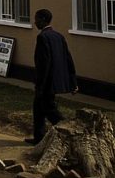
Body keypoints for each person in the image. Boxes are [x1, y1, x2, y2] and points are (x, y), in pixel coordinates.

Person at [25, 8, 78, 144]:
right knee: (38, 109)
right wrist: (73, 82)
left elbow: (44, 63)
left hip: (46, 82)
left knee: (50, 110)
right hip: (54, 81)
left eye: (36, 19)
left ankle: (69, 132)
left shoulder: (43, 37)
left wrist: (40, 84)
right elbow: (68, 59)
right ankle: (39, 138)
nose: (35, 22)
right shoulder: (58, 36)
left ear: (43, 20)